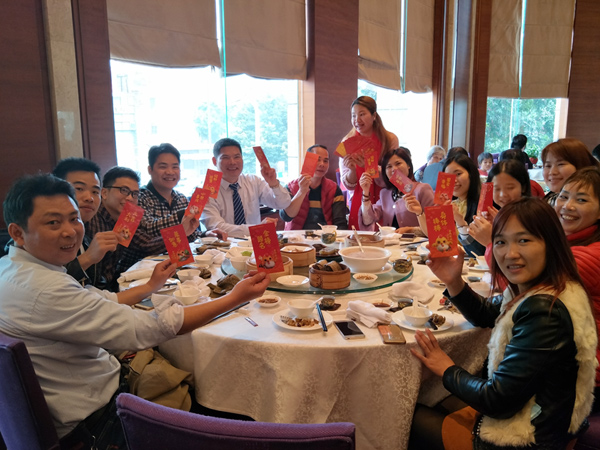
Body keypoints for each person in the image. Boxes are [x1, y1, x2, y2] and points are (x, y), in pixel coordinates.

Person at [0, 173, 270, 449]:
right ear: (17, 233)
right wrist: (235, 298)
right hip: (98, 423)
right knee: (203, 391)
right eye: (53, 223)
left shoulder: (12, 269)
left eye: (73, 218)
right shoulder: (46, 289)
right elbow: (152, 328)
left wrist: (151, 286)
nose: (70, 231)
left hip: (69, 404)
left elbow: (98, 299)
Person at [409, 197, 597, 450]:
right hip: (544, 417)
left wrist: (447, 369)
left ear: (551, 243)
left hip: (529, 437)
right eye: (500, 242)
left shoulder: (545, 310)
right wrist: (454, 281)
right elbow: (488, 313)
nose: (510, 253)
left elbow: (496, 401)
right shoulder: (552, 285)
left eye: (524, 240)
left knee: (408, 415)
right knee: (436, 399)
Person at [555, 167, 600, 412]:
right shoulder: (567, 242)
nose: (567, 206)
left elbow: (531, 287)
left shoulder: (592, 254)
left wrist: (493, 244)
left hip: (585, 377)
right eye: (563, 196)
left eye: (581, 200)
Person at [86, 167, 171, 290]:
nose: (130, 198)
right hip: (89, 291)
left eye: (135, 194)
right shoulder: (90, 218)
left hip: (112, 287)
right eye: (124, 190)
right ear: (104, 193)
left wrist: (183, 232)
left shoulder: (126, 219)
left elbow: (146, 244)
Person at [135, 143, 225, 258]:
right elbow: (148, 228)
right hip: (143, 264)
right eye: (163, 167)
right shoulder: (138, 198)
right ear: (150, 170)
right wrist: (183, 215)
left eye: (175, 167)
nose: (170, 172)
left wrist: (205, 234)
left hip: (177, 261)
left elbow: (189, 234)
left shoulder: (181, 198)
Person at [200, 138, 291, 237]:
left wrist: (274, 184)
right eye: (225, 157)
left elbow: (283, 204)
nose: (232, 162)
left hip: (255, 242)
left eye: (237, 157)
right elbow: (216, 227)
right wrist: (257, 229)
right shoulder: (205, 190)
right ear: (214, 161)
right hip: (223, 245)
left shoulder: (253, 181)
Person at [339, 96, 399, 229]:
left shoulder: (389, 139)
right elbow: (349, 186)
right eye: (353, 116)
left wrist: (369, 166)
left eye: (362, 114)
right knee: (361, 236)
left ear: (374, 116)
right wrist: (352, 170)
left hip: (384, 195)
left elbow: (394, 175)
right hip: (359, 195)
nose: (357, 120)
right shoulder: (346, 142)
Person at [358, 147, 434, 234]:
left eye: (398, 163)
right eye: (389, 166)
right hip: (390, 242)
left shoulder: (422, 189)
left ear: (408, 165)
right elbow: (368, 220)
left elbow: (434, 226)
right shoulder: (385, 194)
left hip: (416, 241)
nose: (394, 169)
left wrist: (410, 229)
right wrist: (365, 192)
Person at [280, 144, 347, 230]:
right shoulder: (291, 187)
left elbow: (340, 222)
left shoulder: (334, 189)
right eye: (317, 160)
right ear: (307, 161)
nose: (322, 164)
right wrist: (301, 191)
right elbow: (286, 217)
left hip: (326, 236)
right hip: (297, 236)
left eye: (325, 161)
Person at [541, 138, 598, 207]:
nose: (552, 172)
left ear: (581, 164)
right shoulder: (549, 199)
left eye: (561, 164)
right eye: (548, 166)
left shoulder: (592, 201)